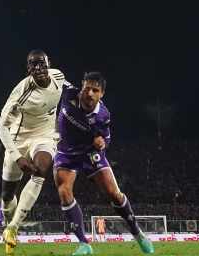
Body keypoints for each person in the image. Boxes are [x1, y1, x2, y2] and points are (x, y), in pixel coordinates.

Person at [52, 71, 153, 256]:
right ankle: (84, 244)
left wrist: (102, 143)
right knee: (64, 192)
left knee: (114, 194)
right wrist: (44, 67)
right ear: (81, 86)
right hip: (66, 153)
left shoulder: (102, 115)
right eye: (87, 88)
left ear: (102, 94)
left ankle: (138, 234)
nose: (89, 93)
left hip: (90, 153)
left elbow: (106, 139)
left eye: (95, 90)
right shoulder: (68, 92)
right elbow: (54, 76)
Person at [0, 50, 64, 255]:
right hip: (18, 141)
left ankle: (13, 228)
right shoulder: (21, 93)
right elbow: (1, 127)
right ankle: (8, 223)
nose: (38, 67)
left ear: (49, 63)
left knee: (41, 170)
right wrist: (18, 157)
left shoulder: (59, 77)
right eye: (33, 64)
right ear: (28, 69)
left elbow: (70, 94)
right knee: (7, 196)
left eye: (41, 63)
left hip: (45, 137)